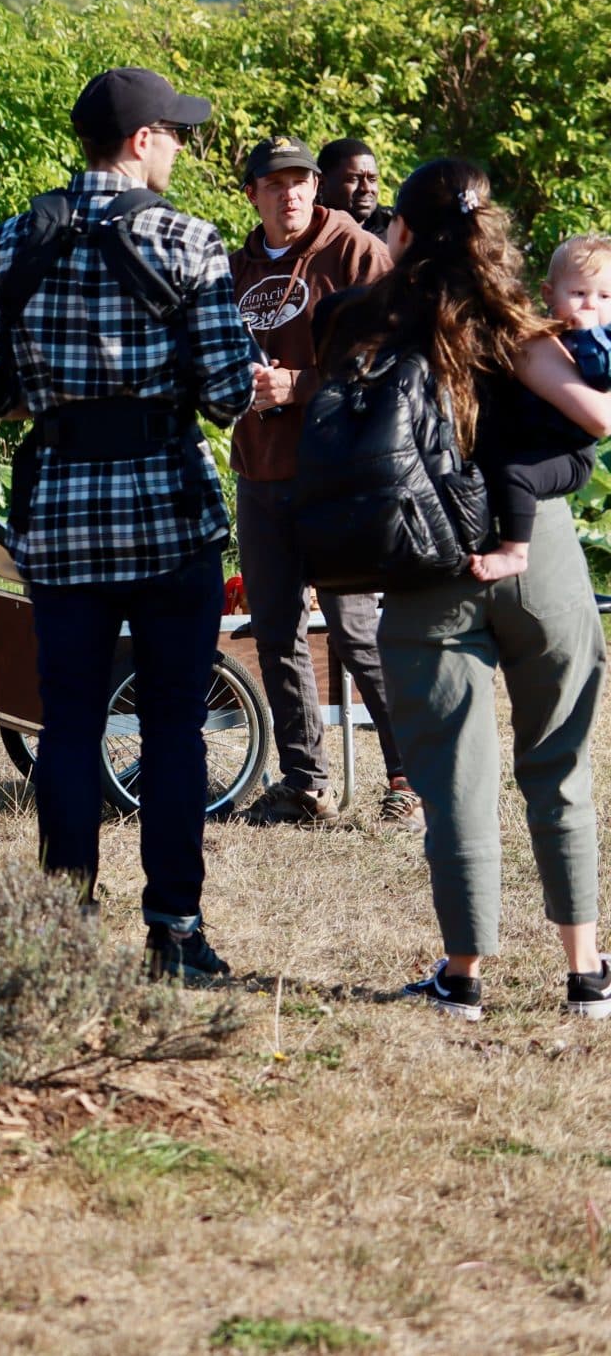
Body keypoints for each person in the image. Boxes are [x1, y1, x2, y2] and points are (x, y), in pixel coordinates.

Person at [0, 67, 255, 980]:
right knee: (173, 727)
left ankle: (63, 924)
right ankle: (174, 928)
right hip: (168, 513)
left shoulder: (11, 241)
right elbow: (231, 392)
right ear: (138, 141)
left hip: (60, 512)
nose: (181, 147)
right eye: (175, 133)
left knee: (71, 725)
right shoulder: (192, 242)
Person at [315, 160, 610, 1023]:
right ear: (492, 236)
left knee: (455, 783)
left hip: (428, 562)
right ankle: (587, 974)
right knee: (559, 769)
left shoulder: (365, 322)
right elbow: (596, 418)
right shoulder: (527, 324)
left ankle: (463, 974)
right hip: (540, 554)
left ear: (399, 231)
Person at [224, 136, 413, 829]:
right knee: (274, 631)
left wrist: (299, 384)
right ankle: (306, 783)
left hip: (339, 473)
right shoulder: (232, 268)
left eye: (301, 180)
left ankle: (409, 779)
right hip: (260, 471)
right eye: (275, 184)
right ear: (252, 194)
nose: (292, 193)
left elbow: (398, 356)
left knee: (354, 630)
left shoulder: (355, 251)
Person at [465, 234, 611, 585]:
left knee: (515, 473)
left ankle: (515, 551)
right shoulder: (540, 334)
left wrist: (587, 337)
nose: (590, 305)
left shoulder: (602, 341)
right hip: (531, 443)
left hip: (569, 453)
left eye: (604, 296)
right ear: (548, 295)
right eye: (578, 294)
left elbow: (602, 376)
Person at [318, 138, 390, 241]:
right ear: (321, 183)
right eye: (353, 179)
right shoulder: (301, 232)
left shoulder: (395, 230)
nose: (366, 188)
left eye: (372, 179)